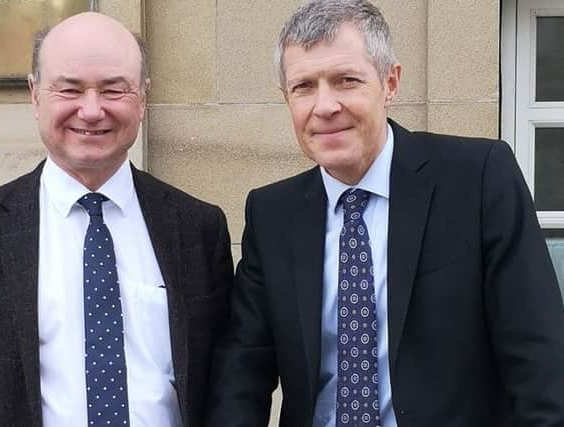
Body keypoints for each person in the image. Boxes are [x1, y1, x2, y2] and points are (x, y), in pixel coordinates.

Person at [206, 1, 564, 426]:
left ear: (390, 82)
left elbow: (539, 361)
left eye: (346, 80)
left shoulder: (478, 179)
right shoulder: (272, 213)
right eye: (304, 87)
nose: (325, 106)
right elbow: (243, 368)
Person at [0, 12, 233, 427]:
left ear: (142, 98)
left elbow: (224, 383)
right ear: (35, 95)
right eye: (69, 89)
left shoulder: (198, 228)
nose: (91, 111)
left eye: (113, 89)